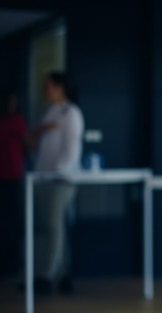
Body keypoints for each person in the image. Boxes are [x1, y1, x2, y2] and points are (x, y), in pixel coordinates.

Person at [30, 71, 84, 294]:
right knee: (50, 227)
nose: (45, 90)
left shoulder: (71, 112)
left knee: (54, 226)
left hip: (61, 180)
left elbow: (70, 151)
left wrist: (55, 171)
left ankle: (47, 275)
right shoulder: (49, 113)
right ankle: (63, 275)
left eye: (48, 86)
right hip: (43, 178)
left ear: (59, 87)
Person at [0, 89, 28, 277]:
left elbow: (27, 144)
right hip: (4, 175)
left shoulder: (17, 120)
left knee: (11, 221)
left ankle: (11, 264)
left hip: (12, 176)